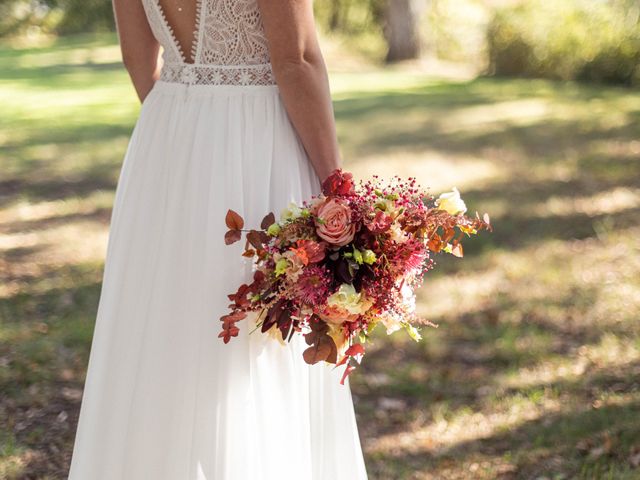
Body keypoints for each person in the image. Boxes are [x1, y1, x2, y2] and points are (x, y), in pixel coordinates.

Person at [67, 0, 369, 478]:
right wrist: (338, 187)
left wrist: (185, 127)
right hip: (255, 135)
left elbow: (137, 55)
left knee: (170, 322)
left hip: (168, 136)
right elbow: (296, 61)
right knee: (254, 333)